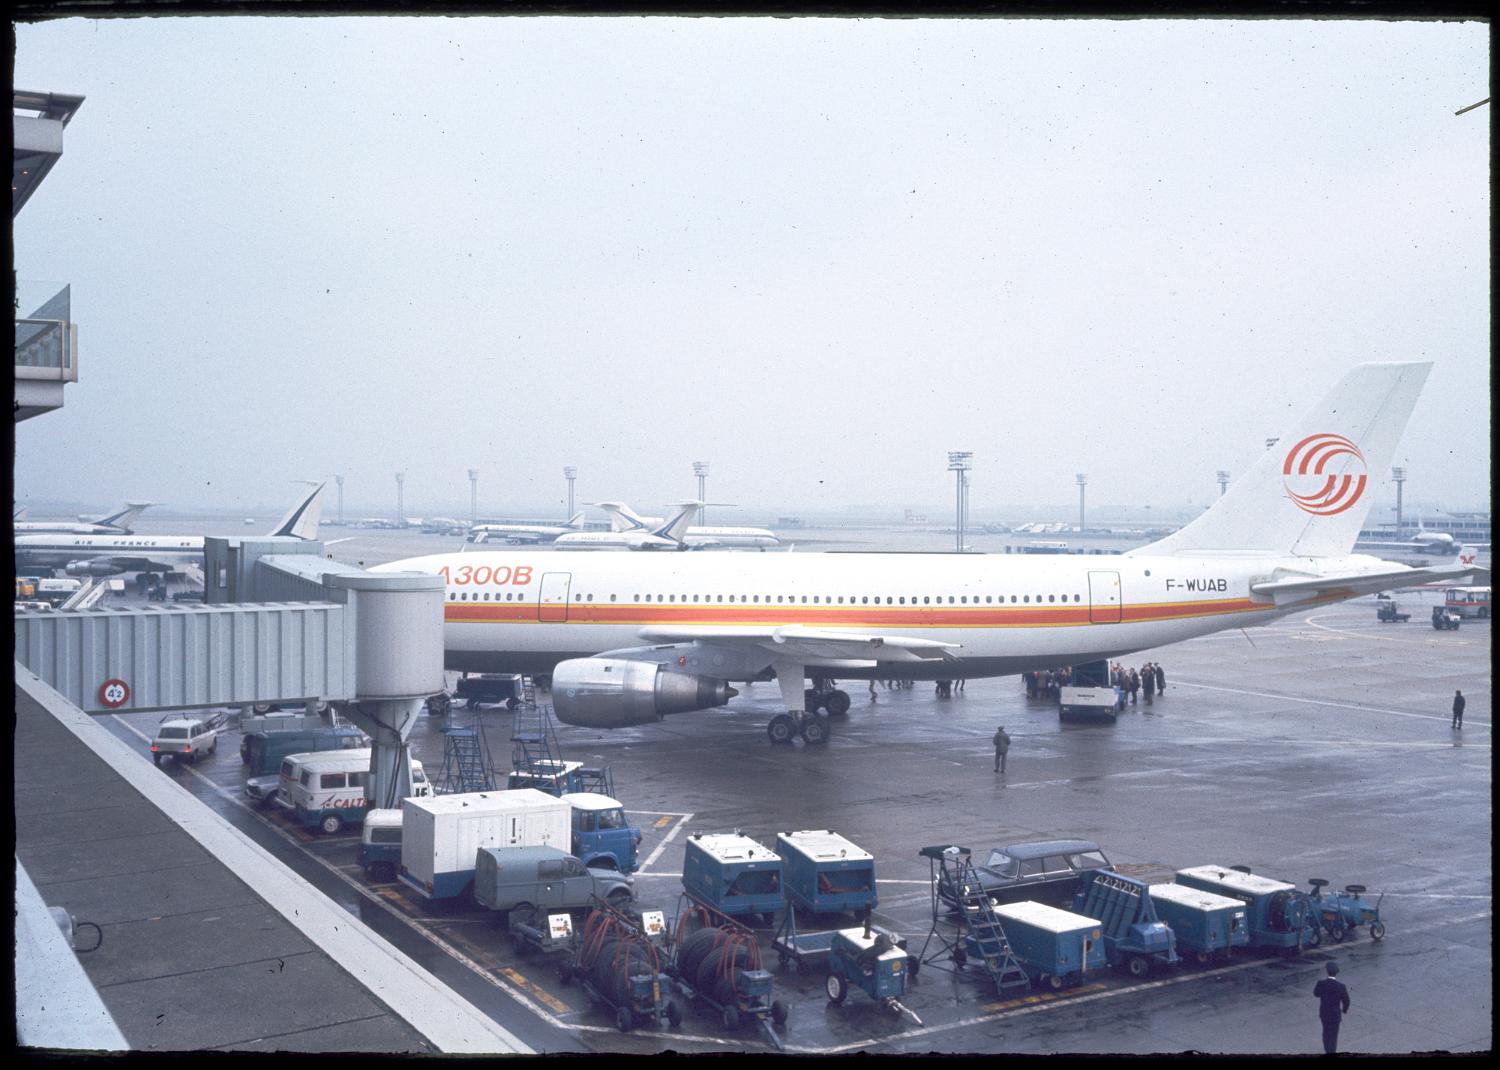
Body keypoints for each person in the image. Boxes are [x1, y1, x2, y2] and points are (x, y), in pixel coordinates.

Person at [1313, 961, 1350, 1054]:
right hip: (1335, 1015)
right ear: (1336, 973)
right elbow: (1347, 1001)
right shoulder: (1341, 986)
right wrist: (1344, 1010)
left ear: (1327, 971)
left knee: (1325, 1033)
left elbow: (1316, 994)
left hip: (1324, 1014)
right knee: (1333, 1036)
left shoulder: (1321, 983)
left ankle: (1327, 1050)